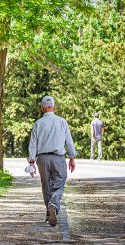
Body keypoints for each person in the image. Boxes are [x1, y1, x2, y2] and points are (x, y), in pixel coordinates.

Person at [28, 96, 77, 226]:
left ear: (42, 108)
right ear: (54, 107)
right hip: (58, 158)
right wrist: (71, 157)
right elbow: (69, 141)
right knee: (59, 184)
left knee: (46, 186)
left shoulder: (38, 123)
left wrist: (32, 162)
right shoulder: (62, 122)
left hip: (42, 159)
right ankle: (54, 203)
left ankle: (49, 212)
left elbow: (33, 144)